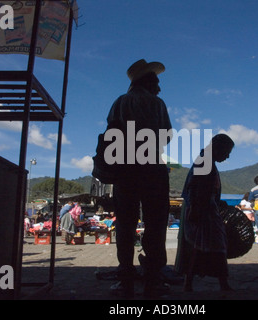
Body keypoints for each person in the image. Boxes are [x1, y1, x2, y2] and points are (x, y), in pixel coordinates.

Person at [106, 59, 172, 298]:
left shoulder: (120, 103)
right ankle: (153, 279)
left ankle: (125, 278)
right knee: (155, 224)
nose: (159, 87)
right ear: (147, 82)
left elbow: (111, 133)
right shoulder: (158, 104)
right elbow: (166, 138)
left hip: (125, 171)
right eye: (156, 81)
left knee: (125, 224)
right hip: (153, 168)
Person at [174, 134, 234, 294]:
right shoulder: (204, 161)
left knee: (199, 246)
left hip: (203, 208)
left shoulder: (206, 160)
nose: (227, 156)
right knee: (209, 246)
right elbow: (195, 187)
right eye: (227, 151)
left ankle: (192, 283)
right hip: (201, 209)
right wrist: (195, 208)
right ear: (218, 148)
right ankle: (220, 283)